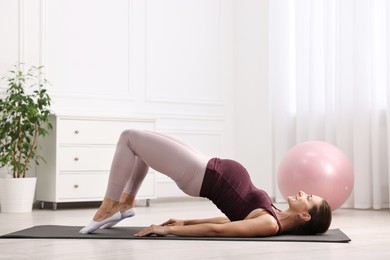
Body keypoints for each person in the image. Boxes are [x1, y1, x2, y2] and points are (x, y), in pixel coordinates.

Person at [80, 130, 332, 237]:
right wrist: (185, 221)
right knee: (139, 143)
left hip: (198, 174)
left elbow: (220, 231)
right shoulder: (274, 215)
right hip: (205, 164)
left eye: (309, 198)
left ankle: (109, 206)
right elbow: (229, 221)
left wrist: (168, 230)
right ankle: (126, 203)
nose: (303, 192)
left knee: (129, 138)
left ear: (306, 216)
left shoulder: (269, 224)